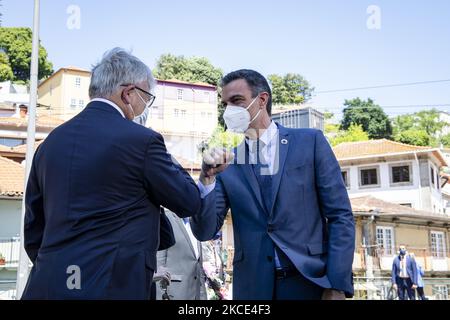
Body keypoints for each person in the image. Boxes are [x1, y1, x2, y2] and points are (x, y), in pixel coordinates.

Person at [22, 48, 201, 300]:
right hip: (112, 287)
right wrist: (163, 153)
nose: (144, 107)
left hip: (46, 285)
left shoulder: (49, 144)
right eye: (147, 98)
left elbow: (33, 228)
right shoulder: (143, 141)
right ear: (128, 93)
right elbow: (188, 201)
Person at [191, 69, 355, 300]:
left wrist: (337, 284)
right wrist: (206, 179)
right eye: (225, 103)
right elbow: (204, 230)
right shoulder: (228, 163)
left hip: (310, 283)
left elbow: (340, 216)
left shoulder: (310, 142)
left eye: (237, 100)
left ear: (262, 100)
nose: (229, 110)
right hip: (253, 289)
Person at [155, 210, 207, 300]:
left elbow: (198, 266)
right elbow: (159, 262)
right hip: (173, 293)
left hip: (195, 294)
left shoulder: (196, 224)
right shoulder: (166, 217)